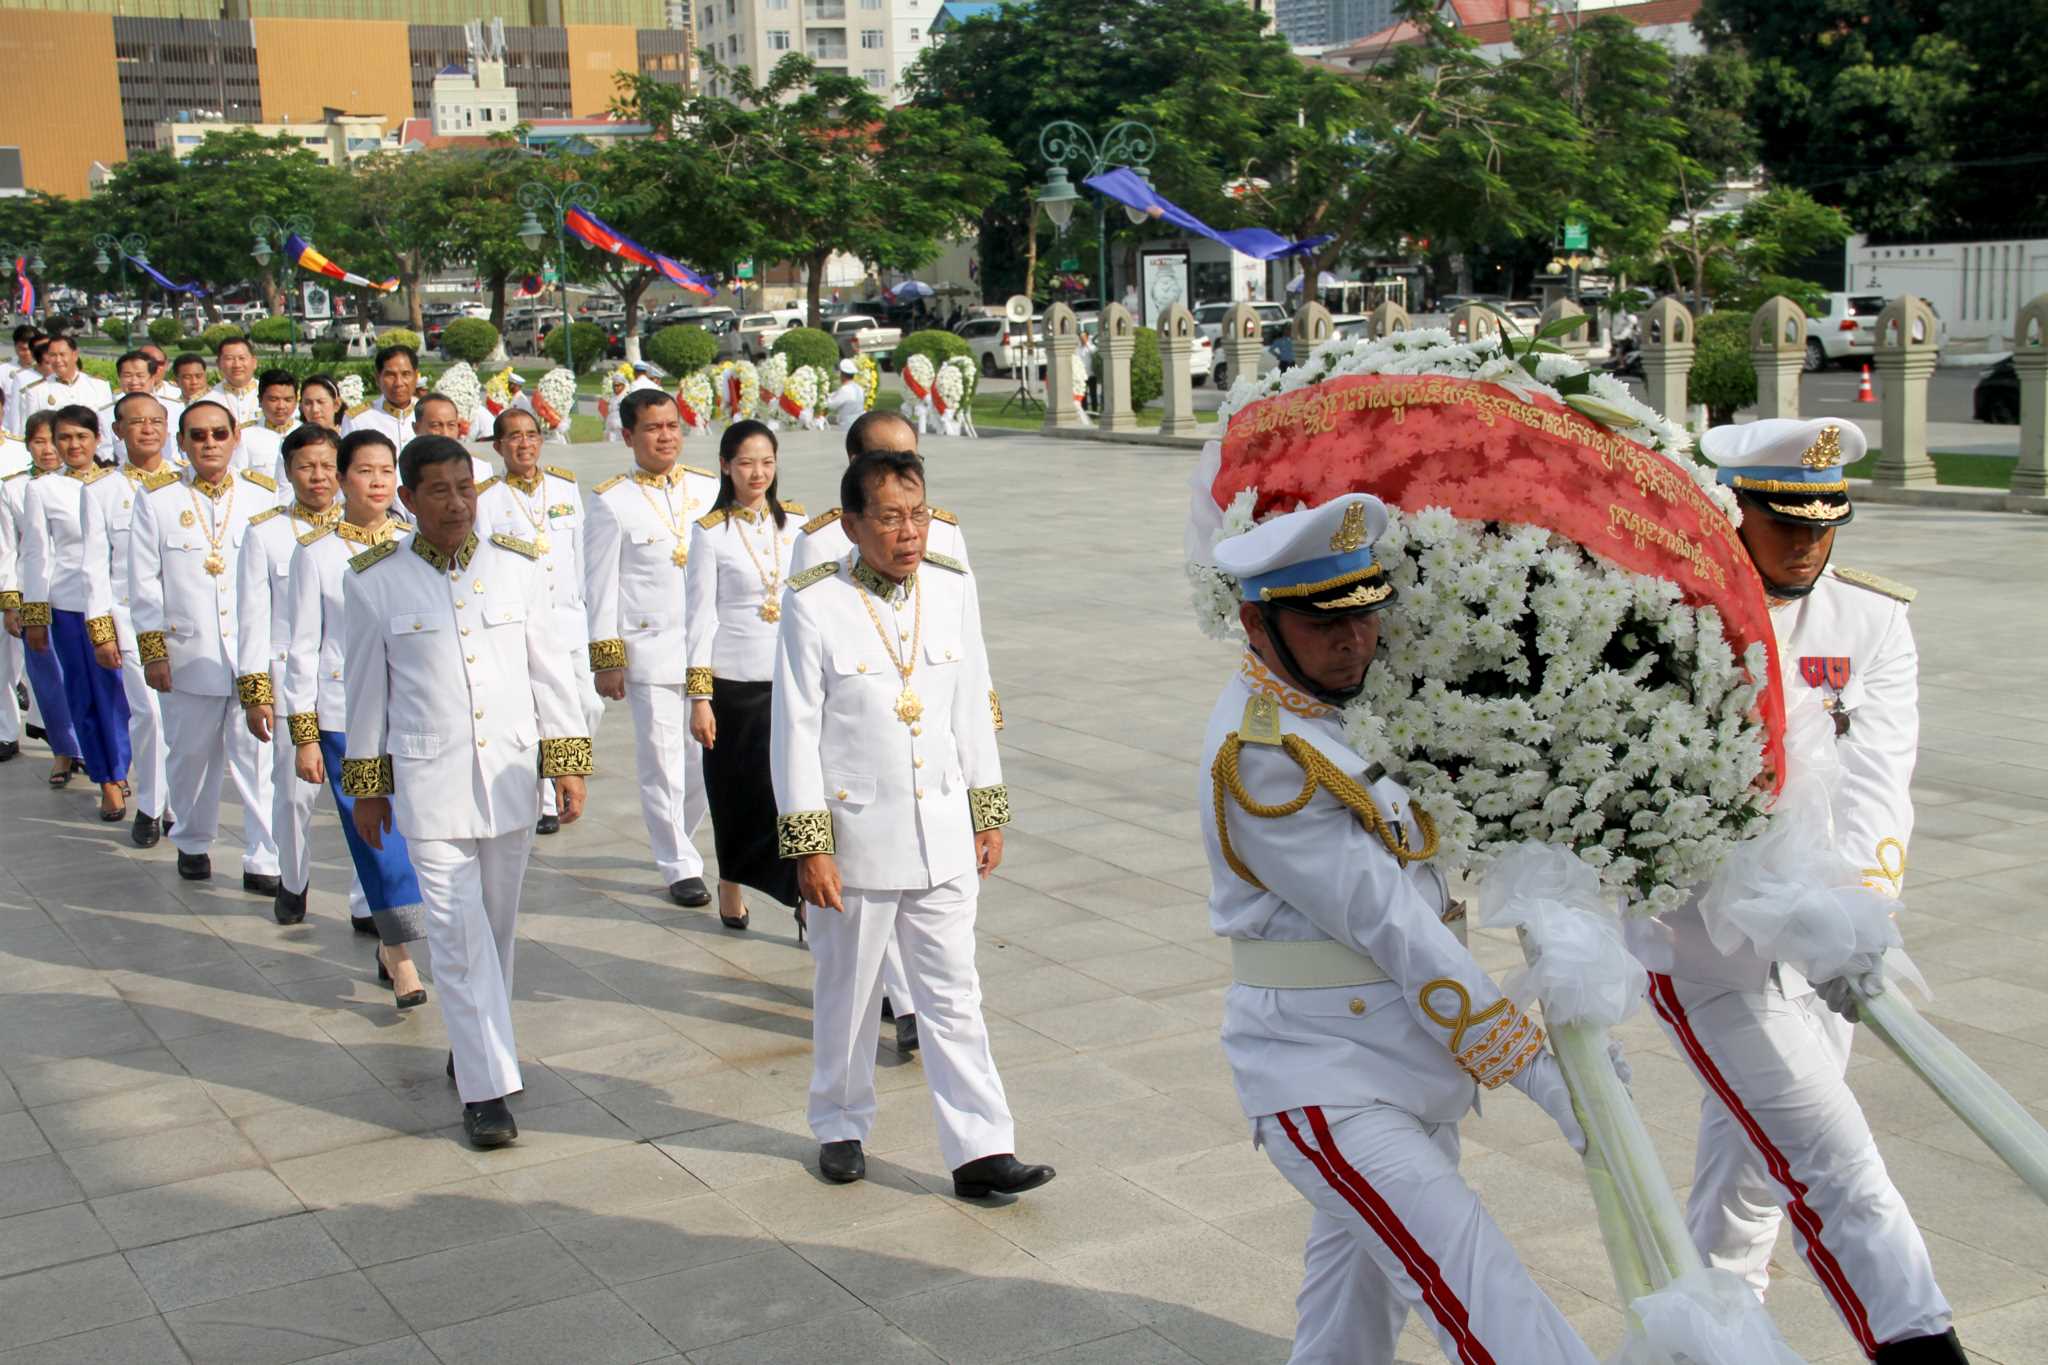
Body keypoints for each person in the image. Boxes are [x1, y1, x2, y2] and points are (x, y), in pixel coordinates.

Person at [1203, 494, 1602, 1364]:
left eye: (1365, 616)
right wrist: (1537, 1069)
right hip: (1325, 1076)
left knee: (1350, 1322)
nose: (1354, 642)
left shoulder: (1331, 710)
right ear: (1256, 623)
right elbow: (1393, 927)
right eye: (1323, 625)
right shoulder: (1265, 757)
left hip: (1401, 1062)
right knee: (1482, 1289)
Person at [1629, 418, 1964, 1364]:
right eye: (1786, 521)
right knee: (1833, 1159)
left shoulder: (1871, 619)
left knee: (1751, 1169)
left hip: (1834, 944)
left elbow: (1877, 785)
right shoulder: (1670, 610)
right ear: (1736, 509)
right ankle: (1922, 1340)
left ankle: (1701, 1345)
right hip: (1710, 948)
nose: (1810, 542)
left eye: (1826, 521)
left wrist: (1856, 914)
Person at [771, 448, 1051, 1198]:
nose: (908, 532)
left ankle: (981, 1147)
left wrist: (986, 808)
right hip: (857, 837)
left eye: (918, 513)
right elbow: (794, 731)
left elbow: (970, 709)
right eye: (890, 517)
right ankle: (839, 1121)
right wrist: (810, 845)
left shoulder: (952, 590)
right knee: (850, 990)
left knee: (955, 992)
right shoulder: (814, 601)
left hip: (943, 836)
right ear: (854, 524)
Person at [341, 433, 592, 1148]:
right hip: (430, 783)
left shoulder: (519, 567)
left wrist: (566, 758)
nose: (457, 504)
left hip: (511, 777)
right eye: (440, 491)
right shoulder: (372, 580)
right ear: (408, 498)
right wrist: (368, 784)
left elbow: (550, 672)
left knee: (498, 930)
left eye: (466, 488)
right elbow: (366, 693)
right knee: (454, 935)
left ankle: (476, 1041)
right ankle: (486, 1092)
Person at [282, 428, 430, 1003]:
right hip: (345, 714)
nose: (377, 482)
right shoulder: (315, 553)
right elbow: (301, 646)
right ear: (342, 478)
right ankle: (403, 959)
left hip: (412, 711)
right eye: (364, 471)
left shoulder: (416, 542)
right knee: (377, 837)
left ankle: (391, 945)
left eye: (386, 471)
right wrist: (305, 735)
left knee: (415, 832)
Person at [129, 400, 282, 891]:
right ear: (183, 443)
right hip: (188, 653)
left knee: (256, 759)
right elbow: (144, 582)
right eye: (198, 436)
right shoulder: (156, 500)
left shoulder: (262, 497)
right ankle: (194, 841)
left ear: (236, 436)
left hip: (250, 656)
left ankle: (264, 856)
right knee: (190, 756)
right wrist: (153, 651)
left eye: (219, 433)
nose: (209, 444)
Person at [584, 388, 719, 908]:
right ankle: (679, 863)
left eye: (672, 425)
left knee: (701, 765)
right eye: (653, 428)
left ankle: (678, 837)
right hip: (649, 650)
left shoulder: (708, 490)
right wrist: (607, 657)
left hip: (706, 650)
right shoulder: (611, 501)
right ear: (628, 436)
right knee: (662, 761)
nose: (665, 436)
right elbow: (599, 586)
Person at [685, 419, 806, 931]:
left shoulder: (797, 523)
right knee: (740, 790)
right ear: (725, 466)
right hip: (735, 681)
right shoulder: (710, 532)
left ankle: (803, 895)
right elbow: (699, 617)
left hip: (790, 675)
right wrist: (700, 696)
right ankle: (731, 879)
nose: (758, 473)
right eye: (746, 463)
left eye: (767, 462)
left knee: (794, 788)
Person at [232, 423, 355, 923]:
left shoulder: (367, 529)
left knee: (362, 798)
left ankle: (368, 900)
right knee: (295, 794)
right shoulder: (267, 533)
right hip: (291, 682)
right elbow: (252, 618)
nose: (318, 477)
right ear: (289, 471)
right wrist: (255, 690)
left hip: (350, 681)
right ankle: (293, 878)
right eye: (307, 466)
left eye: (328, 466)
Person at [478, 407, 601, 836]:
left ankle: (564, 768)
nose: (524, 443)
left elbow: (581, 555)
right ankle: (548, 796)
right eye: (513, 437)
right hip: (524, 623)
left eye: (531, 435)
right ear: (498, 446)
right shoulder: (487, 499)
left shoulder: (564, 487)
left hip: (568, 616)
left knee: (588, 703)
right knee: (534, 710)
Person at [19, 407, 131, 820]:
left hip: (118, 604)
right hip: (69, 604)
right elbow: (36, 552)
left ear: (97, 438)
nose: (73, 446)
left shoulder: (119, 484)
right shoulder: (44, 489)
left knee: (119, 694)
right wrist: (35, 615)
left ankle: (123, 765)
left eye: (81, 437)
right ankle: (107, 779)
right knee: (84, 694)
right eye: (63, 438)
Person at [79, 394, 178, 846]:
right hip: (131, 619)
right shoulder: (102, 492)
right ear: (117, 431)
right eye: (135, 422)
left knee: (181, 718)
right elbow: (94, 567)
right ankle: (151, 806)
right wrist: (102, 630)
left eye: (155, 421)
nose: (147, 429)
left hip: (185, 621)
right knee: (149, 715)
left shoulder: (184, 486)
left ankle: (178, 803)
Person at [5, 412, 80, 781]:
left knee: (81, 676)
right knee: (47, 677)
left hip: (76, 593)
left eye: (55, 440)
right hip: (34, 592)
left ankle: (90, 750)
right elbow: (7, 548)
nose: (49, 450)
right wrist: (11, 599)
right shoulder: (14, 488)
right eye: (39, 442)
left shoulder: (87, 484)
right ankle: (63, 751)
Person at [98, 351, 177, 465]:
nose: (134, 382)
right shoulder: (105, 414)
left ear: (152, 378)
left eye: (140, 375)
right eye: (127, 376)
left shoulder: (175, 407)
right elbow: (105, 455)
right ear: (119, 378)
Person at [344, 344, 420, 446]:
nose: (399, 383)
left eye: (406, 374)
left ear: (416, 376)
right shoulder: (358, 420)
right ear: (377, 378)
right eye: (390, 375)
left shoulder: (429, 413)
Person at [232, 369, 300, 481]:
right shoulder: (245, 436)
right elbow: (238, 478)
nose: (281, 406)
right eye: (274, 399)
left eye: (288, 400)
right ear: (260, 400)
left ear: (296, 400)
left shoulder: (305, 431)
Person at [411, 392, 494, 483]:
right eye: (436, 425)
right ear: (416, 428)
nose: (445, 434)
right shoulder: (402, 471)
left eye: (451, 425)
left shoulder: (482, 470)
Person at [27, 336, 114, 420]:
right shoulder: (37, 391)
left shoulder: (99, 386)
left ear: (75, 355)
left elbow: (107, 426)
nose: (58, 360)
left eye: (62, 354)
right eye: (53, 355)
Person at [205, 335, 262, 427]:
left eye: (242, 358)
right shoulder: (207, 400)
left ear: (254, 362)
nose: (237, 365)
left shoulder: (271, 394)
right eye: (229, 359)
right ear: (219, 364)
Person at [824, 358, 866, 430]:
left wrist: (824, 398)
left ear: (842, 375)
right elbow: (837, 394)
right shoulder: (859, 388)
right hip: (858, 424)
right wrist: (828, 395)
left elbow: (832, 405)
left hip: (847, 426)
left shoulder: (846, 389)